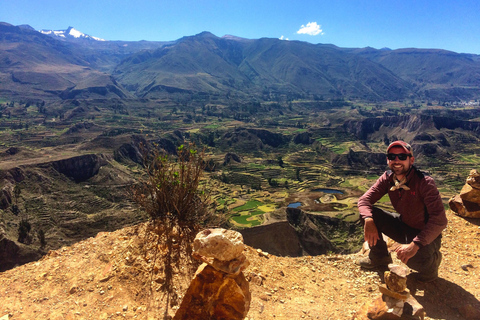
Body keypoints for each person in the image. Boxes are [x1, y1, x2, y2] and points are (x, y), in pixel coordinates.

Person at [357, 141, 448, 282]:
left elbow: (440, 220)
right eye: (392, 156)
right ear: (388, 160)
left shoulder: (424, 182)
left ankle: (431, 266)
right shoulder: (387, 179)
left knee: (411, 258)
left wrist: (415, 245)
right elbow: (364, 201)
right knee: (368, 213)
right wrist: (368, 220)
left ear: (411, 160)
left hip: (424, 234)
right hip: (403, 225)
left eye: (402, 156)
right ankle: (380, 257)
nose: (396, 160)